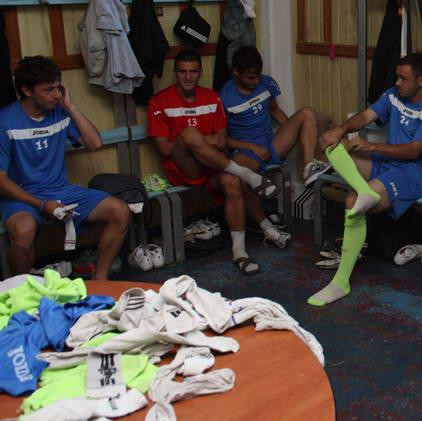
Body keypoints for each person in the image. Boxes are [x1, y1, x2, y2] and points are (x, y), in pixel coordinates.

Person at [308, 53, 422, 306]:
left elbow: (415, 151)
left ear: (421, 81)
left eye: (403, 78)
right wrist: (340, 130)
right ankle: (366, 192)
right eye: (397, 77)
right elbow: (365, 116)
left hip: (413, 173)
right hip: (387, 164)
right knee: (334, 144)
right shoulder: (394, 95)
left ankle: (340, 283)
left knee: (352, 202)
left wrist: (372, 147)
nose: (397, 82)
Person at [147, 48, 286, 276]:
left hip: (214, 164)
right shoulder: (159, 101)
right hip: (185, 168)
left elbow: (221, 141)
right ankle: (247, 174)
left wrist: (206, 141)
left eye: (193, 71)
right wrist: (201, 140)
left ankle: (239, 252)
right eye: (182, 71)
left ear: (200, 73)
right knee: (190, 134)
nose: (188, 77)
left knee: (232, 182)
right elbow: (164, 148)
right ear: (175, 73)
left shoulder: (212, 98)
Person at [0, 56, 131, 280]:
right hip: (22, 197)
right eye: (48, 90)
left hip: (61, 190)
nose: (57, 95)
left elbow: (94, 143)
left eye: (58, 88)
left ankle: (100, 280)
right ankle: (22, 288)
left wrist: (70, 107)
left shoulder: (60, 112)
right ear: (27, 91)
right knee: (23, 233)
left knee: (120, 211)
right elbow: (1, 180)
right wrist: (42, 204)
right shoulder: (5, 121)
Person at [219, 45, 330, 229]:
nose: (256, 81)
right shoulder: (225, 96)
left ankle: (309, 167)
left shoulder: (266, 83)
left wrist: (293, 130)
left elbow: (275, 110)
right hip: (247, 151)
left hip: (271, 144)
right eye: (250, 78)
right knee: (235, 177)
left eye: (258, 76)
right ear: (236, 72)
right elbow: (224, 140)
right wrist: (252, 147)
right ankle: (264, 222)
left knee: (307, 113)